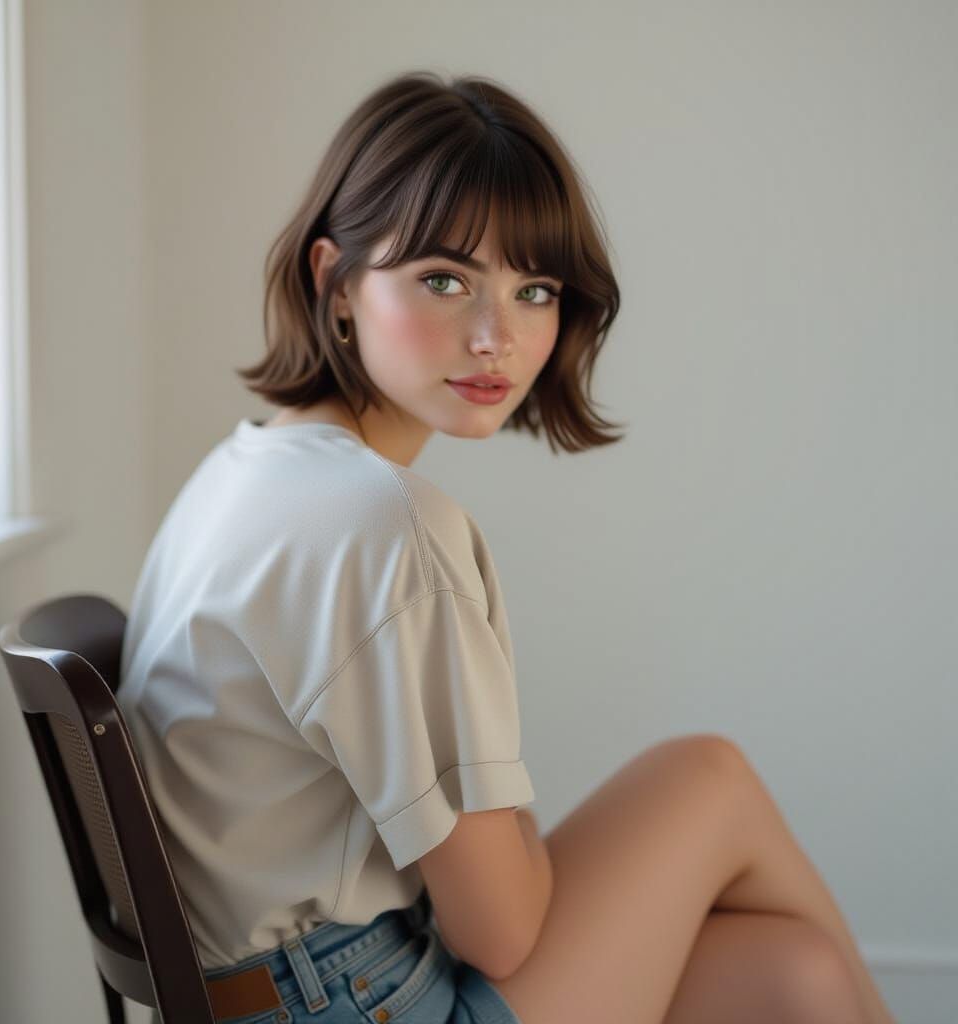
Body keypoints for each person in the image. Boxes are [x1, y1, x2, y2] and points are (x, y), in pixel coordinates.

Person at [120, 71, 897, 1024]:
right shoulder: (384, 523)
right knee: (712, 777)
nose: (497, 337)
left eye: (534, 290)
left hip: (286, 992)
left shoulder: (247, 469)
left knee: (791, 970)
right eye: (444, 280)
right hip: (360, 1000)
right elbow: (501, 932)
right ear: (336, 281)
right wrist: (509, 815)